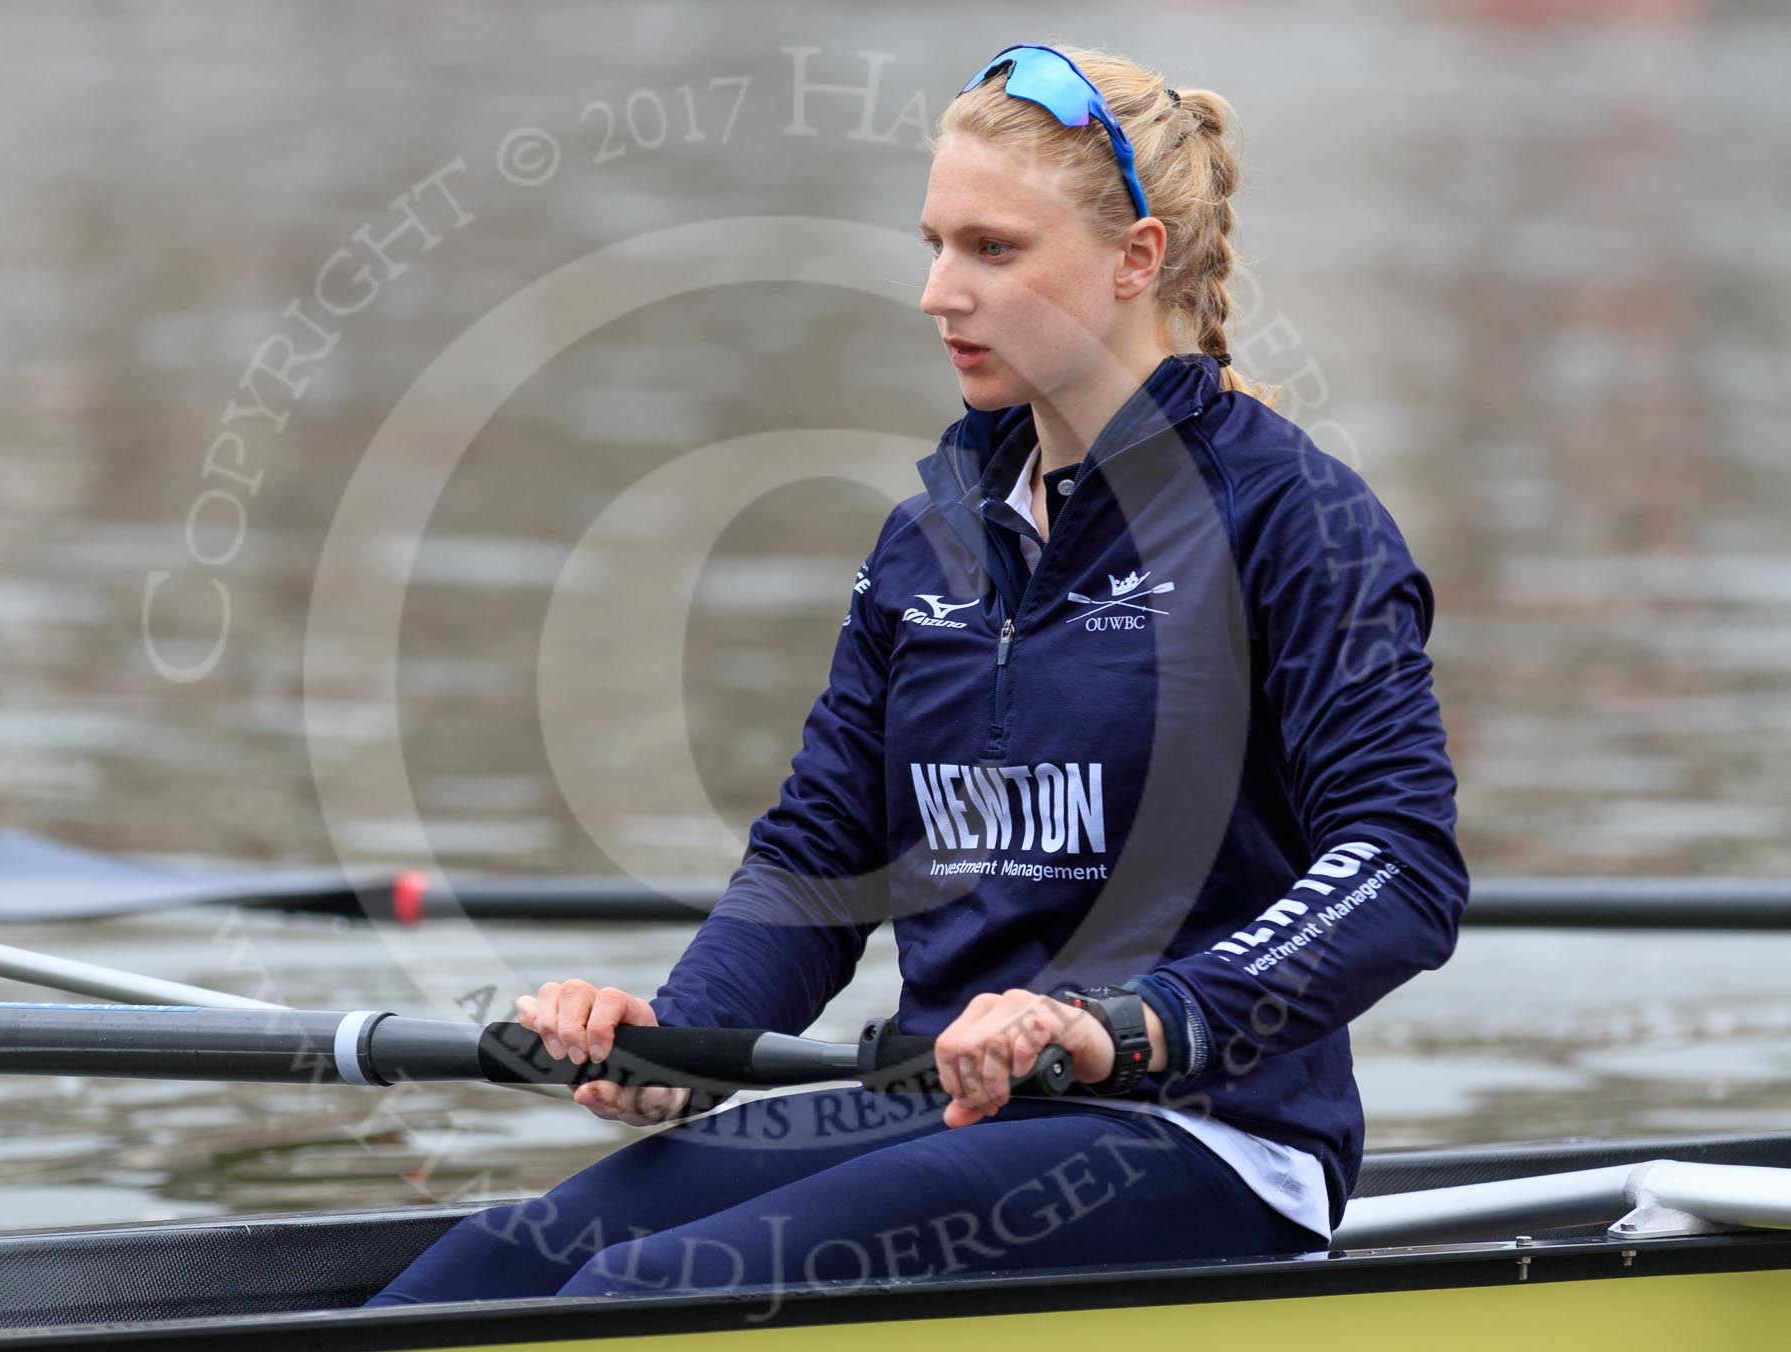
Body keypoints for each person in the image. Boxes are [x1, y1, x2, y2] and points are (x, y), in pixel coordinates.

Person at [364, 41, 1466, 1306]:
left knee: (644, 1289)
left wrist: (1132, 1019)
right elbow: (820, 854)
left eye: (993, 249)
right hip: (940, 1103)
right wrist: (677, 1041)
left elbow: (1400, 863)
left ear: (1137, 258)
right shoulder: (927, 541)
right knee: (484, 1270)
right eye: (936, 244)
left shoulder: (1295, 521)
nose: (941, 292)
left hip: (1199, 1129)